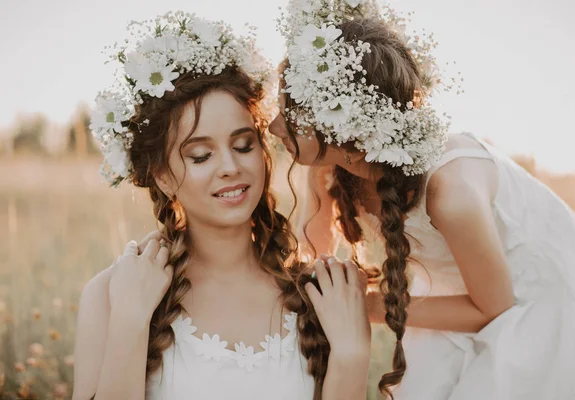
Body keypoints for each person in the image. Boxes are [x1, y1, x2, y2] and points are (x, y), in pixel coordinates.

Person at [269, 1, 575, 399]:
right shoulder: (329, 164)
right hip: (451, 289)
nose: (273, 124)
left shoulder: (450, 192)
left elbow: (494, 308)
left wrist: (368, 307)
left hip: (528, 301)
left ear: (346, 133)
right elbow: (314, 252)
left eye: (292, 112)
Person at [72, 12, 370, 400]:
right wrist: (130, 320)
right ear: (162, 176)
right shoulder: (112, 293)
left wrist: (352, 355)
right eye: (200, 156)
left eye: (243, 145)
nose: (231, 168)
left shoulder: (318, 294)